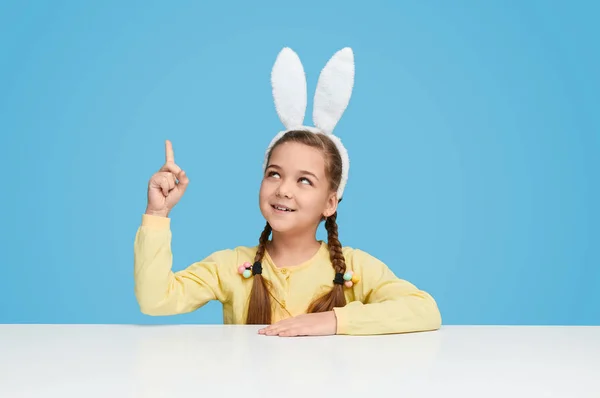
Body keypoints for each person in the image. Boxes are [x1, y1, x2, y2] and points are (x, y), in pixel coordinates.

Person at [133, 47, 442, 337]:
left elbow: (425, 310)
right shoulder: (231, 266)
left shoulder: (353, 268)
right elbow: (156, 300)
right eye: (274, 174)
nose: (283, 189)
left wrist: (334, 320)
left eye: (304, 180)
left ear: (330, 202)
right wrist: (157, 214)